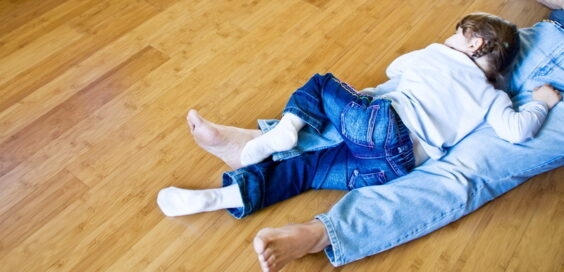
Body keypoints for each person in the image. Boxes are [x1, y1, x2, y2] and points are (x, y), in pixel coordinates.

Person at [159, 8, 563, 272]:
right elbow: (516, 130)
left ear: (473, 43)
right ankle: (226, 194)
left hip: (385, 126)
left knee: (325, 87)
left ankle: (283, 132)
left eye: (457, 35)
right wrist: (541, 104)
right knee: (312, 171)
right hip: (393, 165)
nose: (450, 39)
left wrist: (432, 55)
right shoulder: (494, 97)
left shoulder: (437, 56)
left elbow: (396, 67)